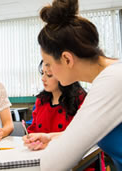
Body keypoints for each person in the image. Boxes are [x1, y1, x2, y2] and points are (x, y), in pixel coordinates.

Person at [23, 0, 122, 170]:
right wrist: (53, 137)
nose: (48, 70)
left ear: (67, 59)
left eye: (48, 63)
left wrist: (59, 145)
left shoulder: (113, 81)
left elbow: (53, 164)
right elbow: (90, 132)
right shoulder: (112, 75)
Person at [26, 61, 105, 171]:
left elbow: (85, 135)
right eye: (42, 73)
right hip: (46, 161)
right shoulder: (41, 100)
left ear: (63, 75)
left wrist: (50, 139)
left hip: (81, 164)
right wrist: (30, 139)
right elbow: (33, 130)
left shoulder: (81, 98)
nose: (43, 78)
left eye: (49, 75)